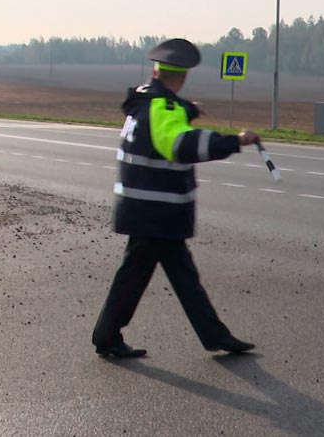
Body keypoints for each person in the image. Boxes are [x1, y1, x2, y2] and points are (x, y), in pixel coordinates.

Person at [92, 38, 261, 358]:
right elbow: (181, 145)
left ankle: (213, 335)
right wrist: (234, 141)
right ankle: (108, 336)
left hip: (145, 208)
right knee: (147, 277)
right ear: (181, 77)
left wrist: (186, 108)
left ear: (156, 71)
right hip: (156, 210)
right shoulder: (162, 107)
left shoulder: (144, 102)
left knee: (169, 276)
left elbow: (163, 127)